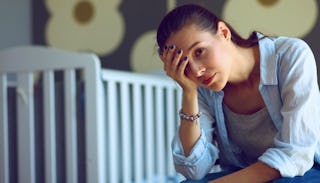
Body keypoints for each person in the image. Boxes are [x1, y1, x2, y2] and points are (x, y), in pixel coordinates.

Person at [156, 3, 320, 183]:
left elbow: (295, 154)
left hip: (304, 171)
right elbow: (194, 171)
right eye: (184, 64)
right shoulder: (203, 89)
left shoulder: (290, 56)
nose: (196, 71)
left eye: (199, 51)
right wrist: (189, 93)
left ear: (224, 33)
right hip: (244, 174)